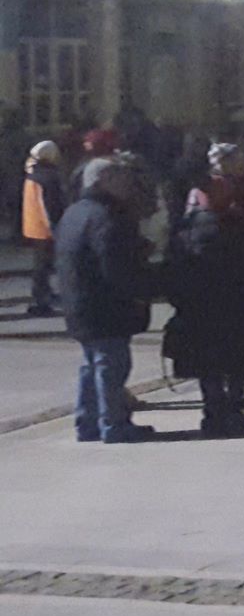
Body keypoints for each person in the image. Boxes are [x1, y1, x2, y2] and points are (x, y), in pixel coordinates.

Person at [163, 144, 244, 437]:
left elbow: (173, 266)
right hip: (236, 305)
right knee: (238, 363)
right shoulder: (238, 227)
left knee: (208, 365)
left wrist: (179, 298)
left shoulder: (185, 229)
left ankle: (213, 413)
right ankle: (233, 412)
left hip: (199, 307)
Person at [55, 158, 157, 443]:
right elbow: (115, 266)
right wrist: (138, 292)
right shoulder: (107, 216)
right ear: (103, 182)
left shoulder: (74, 212)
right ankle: (114, 423)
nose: (127, 184)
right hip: (105, 305)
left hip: (78, 302)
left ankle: (87, 423)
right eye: (120, 178)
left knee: (92, 365)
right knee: (112, 365)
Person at [22, 140, 67, 316]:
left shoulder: (32, 172)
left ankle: (42, 295)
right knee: (46, 266)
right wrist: (55, 228)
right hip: (46, 229)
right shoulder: (47, 177)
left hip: (34, 226)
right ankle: (42, 300)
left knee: (41, 265)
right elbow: (49, 205)